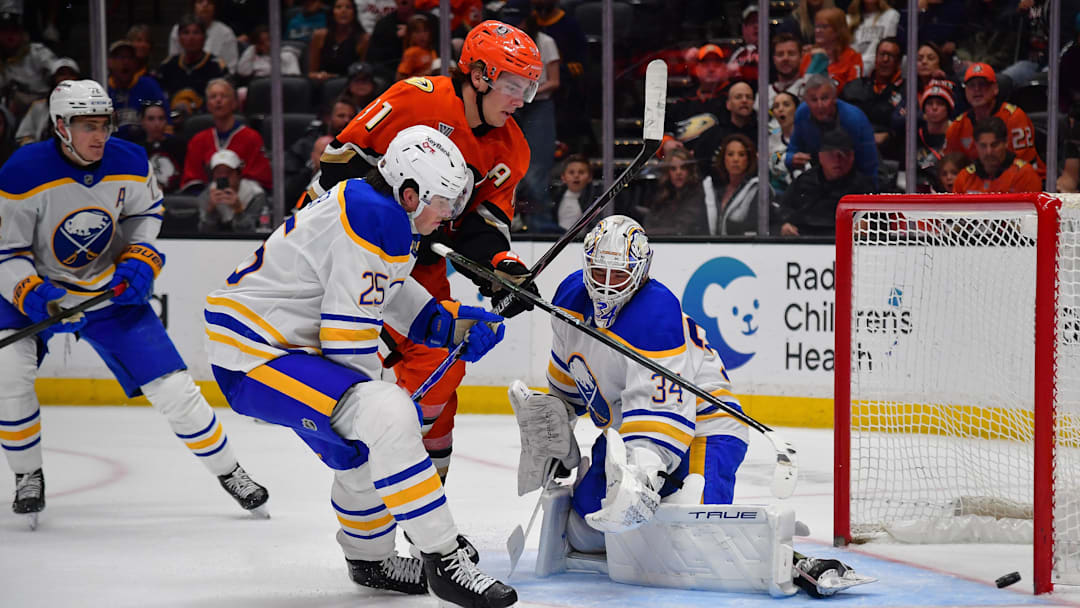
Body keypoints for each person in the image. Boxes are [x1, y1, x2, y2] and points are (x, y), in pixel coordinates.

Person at [205, 125, 515, 608]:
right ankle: (444, 556)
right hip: (255, 353)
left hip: (276, 348)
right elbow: (346, 337)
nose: (449, 215)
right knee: (385, 414)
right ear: (409, 192)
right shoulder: (377, 217)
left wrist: (449, 326)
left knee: (365, 447)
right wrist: (381, 411)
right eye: (443, 203)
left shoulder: (379, 208)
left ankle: (369, 560)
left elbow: (388, 293)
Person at [526, 214, 868, 598]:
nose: (605, 287)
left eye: (617, 276)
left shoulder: (655, 313)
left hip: (707, 425)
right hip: (628, 426)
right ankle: (658, 510)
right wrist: (555, 423)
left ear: (640, 272)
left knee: (694, 533)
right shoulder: (569, 298)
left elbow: (660, 421)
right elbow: (571, 379)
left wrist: (641, 480)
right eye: (598, 272)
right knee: (586, 529)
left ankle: (791, 559)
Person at [0, 80, 268, 527]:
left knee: (176, 389)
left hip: (109, 294)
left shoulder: (128, 159)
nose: (99, 135)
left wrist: (140, 258)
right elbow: (6, 251)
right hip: (36, 291)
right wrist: (32, 292)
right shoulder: (22, 171)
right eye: (88, 126)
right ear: (60, 126)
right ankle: (28, 475)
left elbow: (145, 215)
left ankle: (231, 471)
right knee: (9, 376)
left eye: (104, 124)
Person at [304, 20, 541, 480]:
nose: (520, 100)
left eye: (528, 88)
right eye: (512, 84)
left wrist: (500, 269)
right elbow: (338, 162)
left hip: (419, 259)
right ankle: (377, 460)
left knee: (444, 363)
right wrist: (395, 217)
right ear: (478, 75)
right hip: (350, 241)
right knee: (358, 363)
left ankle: (421, 487)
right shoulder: (417, 98)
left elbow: (482, 224)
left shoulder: (513, 149)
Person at [945, 62, 1045, 179]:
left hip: (1022, 184)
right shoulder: (957, 126)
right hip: (977, 188)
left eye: (982, 84)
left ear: (995, 89)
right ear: (966, 91)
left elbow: (1025, 166)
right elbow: (950, 168)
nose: (977, 89)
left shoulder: (1014, 117)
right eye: (971, 85)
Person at [778, 128, 876, 237]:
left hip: (847, 243)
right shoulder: (804, 182)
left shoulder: (864, 187)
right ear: (821, 156)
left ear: (852, 156)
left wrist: (868, 228)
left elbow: (879, 222)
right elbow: (783, 210)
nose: (837, 160)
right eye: (831, 155)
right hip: (805, 242)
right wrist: (784, 225)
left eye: (843, 154)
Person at [514, 12, 561, 233]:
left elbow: (554, 81)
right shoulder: (508, 43)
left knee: (536, 169)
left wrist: (529, 94)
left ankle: (540, 222)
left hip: (539, 105)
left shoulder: (546, 42)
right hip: (512, 104)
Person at [181, 79, 273, 192]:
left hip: (243, 201)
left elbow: (260, 181)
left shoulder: (252, 138)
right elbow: (192, 181)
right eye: (213, 97)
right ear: (208, 105)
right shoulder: (198, 141)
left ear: (234, 103)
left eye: (224, 96)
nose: (218, 100)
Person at [786, 74, 878, 183]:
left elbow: (869, 168)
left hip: (853, 177)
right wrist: (791, 159)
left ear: (835, 98)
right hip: (818, 176)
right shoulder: (802, 114)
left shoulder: (855, 120)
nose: (820, 105)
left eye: (824, 98)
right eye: (814, 100)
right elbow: (792, 150)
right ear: (806, 101)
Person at [659, 44, 732, 161]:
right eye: (705, 64)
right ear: (696, 69)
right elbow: (665, 131)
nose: (711, 69)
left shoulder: (731, 101)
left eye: (716, 64)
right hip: (684, 166)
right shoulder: (682, 102)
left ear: (725, 69)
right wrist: (667, 143)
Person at [838, 37, 903, 158]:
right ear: (875, 58)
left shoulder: (906, 91)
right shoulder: (854, 87)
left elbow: (908, 127)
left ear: (898, 62)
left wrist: (889, 135)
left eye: (891, 56)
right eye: (882, 54)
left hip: (890, 154)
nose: (885, 59)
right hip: (852, 148)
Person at [156, 15, 228, 118]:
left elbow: (225, 104)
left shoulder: (217, 67)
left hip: (207, 122)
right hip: (170, 123)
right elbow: (159, 101)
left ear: (204, 38)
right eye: (186, 33)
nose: (191, 38)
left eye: (196, 32)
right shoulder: (167, 66)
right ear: (179, 38)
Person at [952, 116, 1042, 194]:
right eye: (983, 146)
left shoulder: (1024, 174)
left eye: (994, 145)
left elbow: (1032, 213)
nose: (989, 152)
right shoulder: (965, 177)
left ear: (1006, 143)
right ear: (976, 145)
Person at [704, 134, 770, 236]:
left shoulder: (758, 189)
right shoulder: (712, 188)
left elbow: (754, 228)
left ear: (748, 159)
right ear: (723, 158)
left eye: (741, 154)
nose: (735, 159)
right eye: (730, 154)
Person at [634, 149, 707, 237]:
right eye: (673, 169)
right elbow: (650, 221)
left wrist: (648, 233)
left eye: (683, 168)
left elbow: (683, 229)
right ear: (667, 172)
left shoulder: (697, 194)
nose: (678, 173)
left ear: (690, 171)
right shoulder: (663, 194)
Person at [0, 11, 57, 119]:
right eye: (5, 31)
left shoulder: (37, 52)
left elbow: (59, 70)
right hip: (10, 115)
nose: (10, 36)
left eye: (14, 31)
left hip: (42, 109)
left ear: (23, 33)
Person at [107, 39, 168, 139]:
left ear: (136, 63)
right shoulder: (103, 88)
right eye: (120, 57)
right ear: (109, 62)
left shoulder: (149, 85)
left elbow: (166, 121)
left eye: (130, 57)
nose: (125, 62)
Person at [197, 149, 268, 232]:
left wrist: (238, 211)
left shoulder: (255, 194)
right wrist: (211, 211)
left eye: (228, 172)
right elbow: (204, 233)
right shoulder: (207, 194)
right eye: (219, 172)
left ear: (239, 173)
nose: (223, 176)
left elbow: (251, 233)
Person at [14, 57, 79, 147]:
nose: (66, 78)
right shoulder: (38, 106)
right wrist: (37, 150)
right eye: (61, 74)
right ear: (53, 79)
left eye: (71, 74)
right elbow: (23, 136)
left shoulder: (88, 107)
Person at [125, 100, 187, 194]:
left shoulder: (179, 145)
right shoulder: (135, 150)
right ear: (142, 122)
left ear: (166, 121)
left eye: (161, 118)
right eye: (151, 119)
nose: (157, 123)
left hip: (176, 197)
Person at [799, 7, 864, 90]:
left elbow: (854, 91)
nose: (818, 30)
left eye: (824, 27)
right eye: (817, 26)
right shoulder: (808, 57)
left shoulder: (853, 57)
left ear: (838, 30)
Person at [168, 0, 239, 73]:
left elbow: (231, 68)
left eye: (210, 2)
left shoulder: (226, 33)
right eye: (200, 1)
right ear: (193, 6)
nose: (205, 5)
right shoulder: (178, 29)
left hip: (215, 79)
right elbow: (173, 61)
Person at [308, 0, 368, 82]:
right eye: (338, 7)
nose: (343, 11)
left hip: (350, 84)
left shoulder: (363, 39)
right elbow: (311, 72)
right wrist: (319, 75)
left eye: (348, 7)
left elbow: (363, 72)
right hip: (322, 83)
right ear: (332, 12)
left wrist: (334, 77)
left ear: (354, 13)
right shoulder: (319, 35)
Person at [913, 82, 954, 189]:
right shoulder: (914, 136)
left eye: (940, 103)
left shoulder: (957, 133)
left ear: (948, 108)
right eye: (930, 103)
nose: (934, 108)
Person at [236, 25, 303, 82]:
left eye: (269, 40)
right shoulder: (254, 58)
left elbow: (294, 81)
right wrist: (252, 49)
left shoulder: (288, 55)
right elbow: (243, 72)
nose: (267, 44)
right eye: (261, 43)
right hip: (261, 90)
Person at [847, 0, 899, 73]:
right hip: (852, 69)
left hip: (878, 69)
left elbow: (887, 47)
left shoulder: (891, 15)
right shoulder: (849, 19)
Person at [551, 154, 599, 231]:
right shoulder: (554, 197)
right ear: (563, 177)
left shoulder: (595, 200)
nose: (576, 176)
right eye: (571, 172)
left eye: (581, 172)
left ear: (590, 177)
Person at [769, 91, 802, 194]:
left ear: (797, 109)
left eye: (786, 105)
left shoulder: (810, 135)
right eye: (776, 106)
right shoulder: (770, 139)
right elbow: (774, 168)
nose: (780, 109)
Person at [766, 33, 808, 105]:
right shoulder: (764, 93)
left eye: (791, 53)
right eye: (780, 54)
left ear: (801, 57)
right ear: (774, 59)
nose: (785, 58)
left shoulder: (809, 90)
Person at [395, 13, 437, 80]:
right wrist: (424, 74)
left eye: (425, 31)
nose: (422, 35)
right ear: (410, 35)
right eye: (417, 32)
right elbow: (400, 78)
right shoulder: (411, 52)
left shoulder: (432, 51)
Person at [727, 5, 759, 83]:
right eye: (751, 22)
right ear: (744, 28)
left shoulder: (773, 51)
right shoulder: (736, 53)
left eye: (759, 22)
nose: (756, 26)